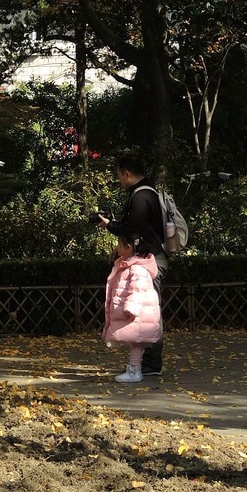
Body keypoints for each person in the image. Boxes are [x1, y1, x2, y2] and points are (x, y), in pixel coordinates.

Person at [100, 153, 167, 375]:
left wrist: (110, 225)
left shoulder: (140, 197)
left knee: (148, 311)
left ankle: (150, 363)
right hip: (151, 257)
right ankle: (146, 362)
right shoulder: (149, 193)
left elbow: (131, 230)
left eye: (119, 175)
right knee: (148, 309)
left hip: (148, 260)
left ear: (127, 173)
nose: (119, 180)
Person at [101, 233, 163, 383]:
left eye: (119, 244)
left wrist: (131, 308)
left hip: (137, 313)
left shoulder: (136, 268)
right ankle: (134, 369)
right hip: (139, 314)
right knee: (136, 343)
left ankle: (134, 371)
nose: (117, 247)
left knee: (137, 343)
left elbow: (137, 289)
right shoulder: (130, 265)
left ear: (128, 247)